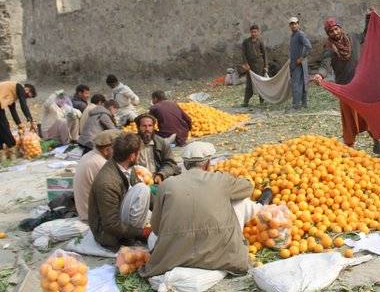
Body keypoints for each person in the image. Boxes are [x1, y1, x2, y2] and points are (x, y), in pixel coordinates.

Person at [139, 141, 273, 278]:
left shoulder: (166, 185)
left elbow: (156, 227)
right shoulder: (220, 180)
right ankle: (261, 204)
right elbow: (248, 187)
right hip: (220, 256)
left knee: (152, 239)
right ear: (208, 164)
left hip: (176, 256)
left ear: (184, 164)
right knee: (237, 200)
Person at [312, 17, 380, 158]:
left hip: (361, 86)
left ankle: (377, 144)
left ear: (340, 28)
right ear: (328, 34)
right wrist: (320, 75)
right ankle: (349, 149)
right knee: (349, 119)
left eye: (336, 29)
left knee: (368, 115)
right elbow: (325, 65)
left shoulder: (353, 37)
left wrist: (369, 19)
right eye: (331, 31)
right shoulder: (329, 48)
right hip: (345, 89)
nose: (335, 33)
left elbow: (367, 33)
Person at [88, 133, 152, 250]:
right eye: (139, 153)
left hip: (119, 212)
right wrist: (142, 233)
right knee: (142, 189)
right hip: (107, 233)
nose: (139, 156)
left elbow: (137, 188)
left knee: (154, 213)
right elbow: (111, 224)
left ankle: (135, 232)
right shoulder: (107, 182)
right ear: (132, 156)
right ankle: (130, 238)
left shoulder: (126, 166)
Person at [74, 130, 120, 221]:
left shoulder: (90, 156)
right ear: (107, 150)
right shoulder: (100, 163)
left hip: (87, 211)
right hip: (93, 218)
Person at [135, 113, 181, 183]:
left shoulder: (162, 143)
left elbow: (170, 164)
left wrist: (161, 175)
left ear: (153, 127)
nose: (147, 129)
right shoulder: (132, 144)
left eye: (150, 126)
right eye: (144, 126)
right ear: (138, 128)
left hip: (157, 179)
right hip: (138, 180)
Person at [0, 81, 37, 150]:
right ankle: (12, 146)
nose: (26, 98)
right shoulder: (20, 87)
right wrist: (31, 120)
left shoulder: (12, 92)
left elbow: (13, 111)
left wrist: (19, 123)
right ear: (27, 89)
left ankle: (2, 150)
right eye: (28, 96)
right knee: (4, 125)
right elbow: (23, 105)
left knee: (2, 126)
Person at [241, 24, 268, 107]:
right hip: (250, 67)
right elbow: (243, 54)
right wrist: (246, 64)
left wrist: (266, 66)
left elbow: (265, 54)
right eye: (252, 32)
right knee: (249, 84)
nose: (254, 33)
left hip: (260, 65)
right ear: (250, 32)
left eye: (255, 32)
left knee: (261, 84)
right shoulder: (246, 42)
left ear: (258, 32)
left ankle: (262, 101)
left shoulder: (260, 41)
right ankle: (246, 102)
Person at [288, 17, 312, 110]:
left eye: (295, 23)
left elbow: (309, 46)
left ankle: (296, 106)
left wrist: (302, 58)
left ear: (298, 24)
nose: (294, 25)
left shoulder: (300, 34)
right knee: (301, 83)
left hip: (299, 64)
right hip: (295, 64)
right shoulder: (293, 35)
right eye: (292, 24)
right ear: (289, 26)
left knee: (296, 84)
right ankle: (304, 104)